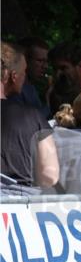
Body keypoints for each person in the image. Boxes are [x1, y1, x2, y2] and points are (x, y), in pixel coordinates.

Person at [1, 42, 59, 189]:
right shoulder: (34, 117)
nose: (25, 76)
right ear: (13, 76)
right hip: (19, 205)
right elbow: (49, 176)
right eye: (24, 71)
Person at [14, 36, 49, 117]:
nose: (45, 66)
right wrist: (48, 102)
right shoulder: (15, 88)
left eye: (46, 61)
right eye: (40, 61)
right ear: (25, 60)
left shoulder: (31, 86)